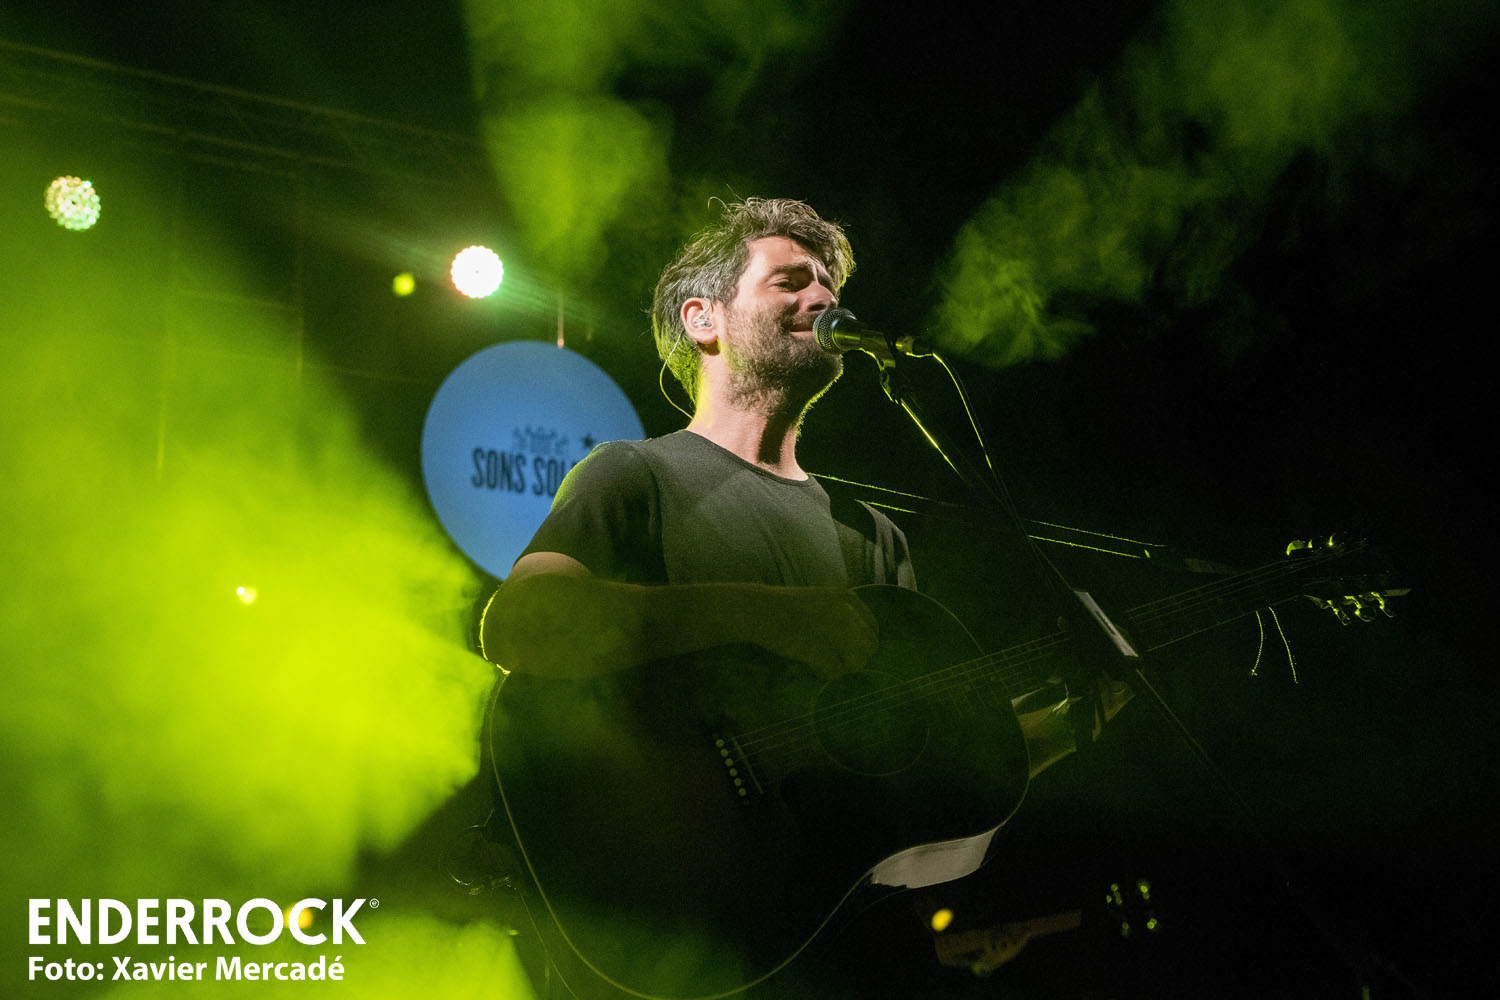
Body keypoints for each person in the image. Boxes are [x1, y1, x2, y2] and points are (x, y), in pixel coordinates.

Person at [481, 198, 912, 680]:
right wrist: (759, 614)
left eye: (828, 286)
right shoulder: (631, 473)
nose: (825, 299)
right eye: (789, 283)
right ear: (703, 320)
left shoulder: (875, 536)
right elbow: (519, 624)